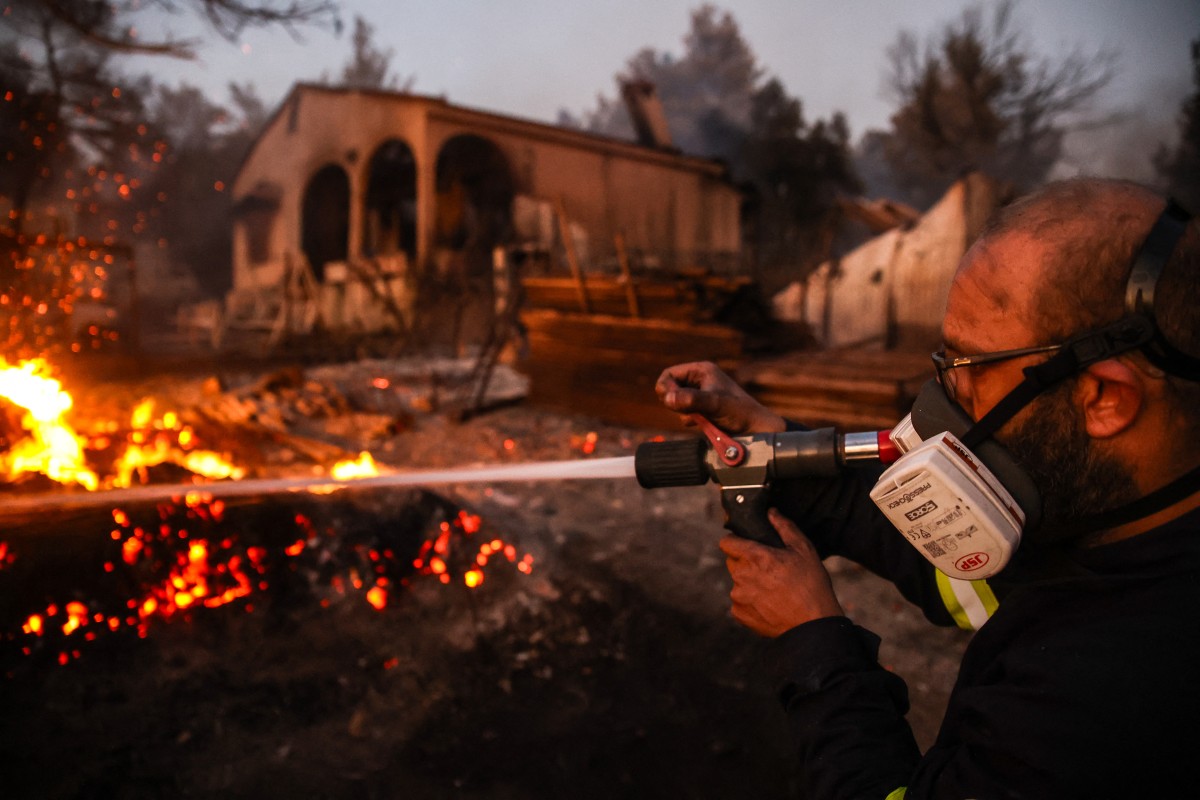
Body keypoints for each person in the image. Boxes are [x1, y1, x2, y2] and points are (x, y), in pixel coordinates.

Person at [655, 178, 1200, 798]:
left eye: (966, 367)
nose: (944, 399)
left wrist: (815, 649)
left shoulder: (1103, 700)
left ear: (1104, 398)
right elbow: (968, 577)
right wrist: (776, 444)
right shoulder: (1114, 518)